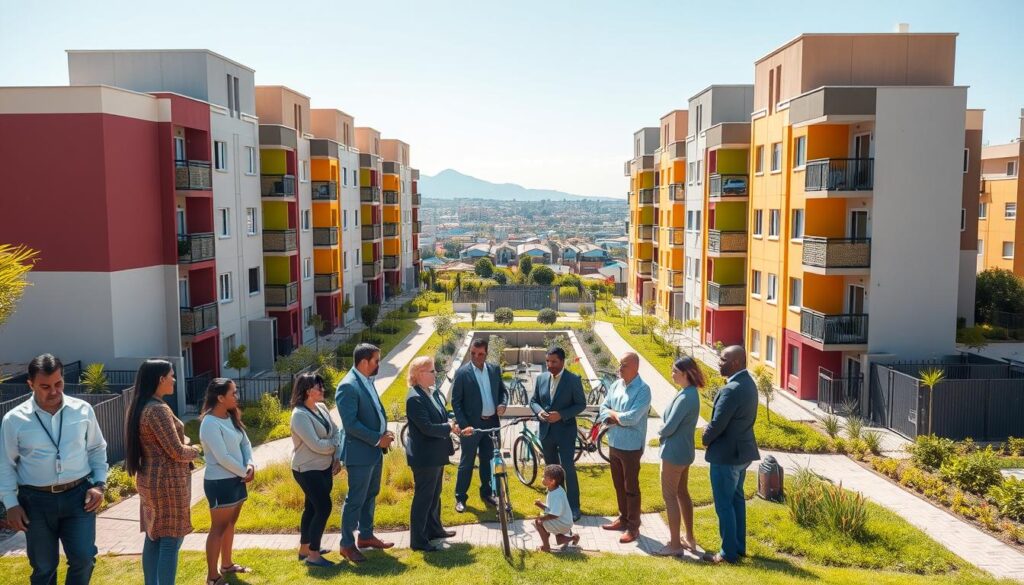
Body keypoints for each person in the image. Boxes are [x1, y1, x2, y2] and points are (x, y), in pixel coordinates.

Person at [0, 354, 108, 585]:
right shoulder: (14, 420)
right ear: (30, 384)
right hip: (35, 501)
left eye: (58, 383)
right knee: (43, 568)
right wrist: (11, 504)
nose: (53, 391)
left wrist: (99, 484)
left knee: (84, 559)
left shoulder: (83, 410)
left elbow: (97, 448)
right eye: (45, 386)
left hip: (78, 497)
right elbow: (5, 463)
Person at [125, 359, 201, 584]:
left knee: (154, 535)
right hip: (167, 483)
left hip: (151, 479)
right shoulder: (157, 410)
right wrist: (195, 449)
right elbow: (176, 451)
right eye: (171, 375)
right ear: (161, 379)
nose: (174, 379)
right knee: (170, 539)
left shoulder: (142, 405)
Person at [336, 343, 395, 563]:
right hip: (360, 454)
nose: (379, 364)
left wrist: (383, 431)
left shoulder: (366, 381)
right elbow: (350, 424)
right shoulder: (348, 386)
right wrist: (377, 438)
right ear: (363, 362)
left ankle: (366, 536)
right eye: (376, 360)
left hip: (374, 452)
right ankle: (346, 544)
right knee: (355, 500)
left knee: (370, 495)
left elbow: (374, 412)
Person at [702, 345, 760, 564]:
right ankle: (738, 547)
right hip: (741, 454)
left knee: (724, 504)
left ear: (736, 362)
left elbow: (717, 424)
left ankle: (727, 553)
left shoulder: (732, 389)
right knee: (736, 500)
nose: (719, 362)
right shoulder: (748, 384)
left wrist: (705, 439)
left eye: (723, 359)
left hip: (726, 456)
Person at [199, 378, 255, 585]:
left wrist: (250, 465)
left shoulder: (231, 417)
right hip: (220, 483)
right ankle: (212, 577)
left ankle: (227, 565)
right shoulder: (209, 423)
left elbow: (245, 443)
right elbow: (222, 457)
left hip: (237, 480)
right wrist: (244, 471)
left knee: (230, 524)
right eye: (233, 393)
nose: (236, 397)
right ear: (220, 398)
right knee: (218, 528)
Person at [404, 356, 459, 552]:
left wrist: (451, 425)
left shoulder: (431, 393)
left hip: (436, 454)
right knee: (424, 498)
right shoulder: (415, 398)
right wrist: (448, 428)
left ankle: (434, 529)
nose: (435, 374)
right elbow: (426, 427)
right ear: (419, 374)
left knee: (435, 495)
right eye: (431, 371)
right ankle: (418, 540)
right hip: (425, 457)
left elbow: (441, 417)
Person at [289, 373, 342, 567]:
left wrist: (336, 456)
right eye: (318, 387)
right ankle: (313, 555)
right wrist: (334, 445)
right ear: (307, 391)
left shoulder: (320, 407)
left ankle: (305, 549)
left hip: (324, 467)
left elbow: (336, 431)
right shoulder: (299, 416)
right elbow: (317, 445)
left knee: (311, 508)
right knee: (324, 507)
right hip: (306, 469)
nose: (323, 390)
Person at [528, 346, 586, 521]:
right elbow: (534, 401)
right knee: (551, 472)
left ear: (562, 361)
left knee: (567, 468)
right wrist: (539, 412)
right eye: (547, 361)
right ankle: (554, 506)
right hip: (546, 432)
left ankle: (574, 507)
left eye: (553, 362)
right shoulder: (541, 379)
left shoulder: (573, 380)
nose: (549, 365)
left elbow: (580, 404)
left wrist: (561, 415)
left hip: (566, 432)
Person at [450, 338, 508, 513]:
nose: (476, 357)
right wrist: (464, 425)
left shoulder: (494, 370)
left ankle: (487, 493)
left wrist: (503, 404)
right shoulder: (462, 373)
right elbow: (456, 402)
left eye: (480, 354)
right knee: (466, 462)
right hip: (471, 427)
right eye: (473, 353)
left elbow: (503, 392)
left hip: (491, 424)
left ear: (486, 353)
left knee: (488, 461)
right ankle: (460, 498)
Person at [598, 352, 651, 544]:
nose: (619, 369)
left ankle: (633, 527)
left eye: (624, 365)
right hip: (614, 443)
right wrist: (614, 415)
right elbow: (603, 408)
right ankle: (623, 518)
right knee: (618, 485)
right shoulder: (615, 385)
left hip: (631, 447)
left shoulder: (643, 390)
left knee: (631, 487)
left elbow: (632, 418)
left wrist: (614, 416)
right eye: (620, 365)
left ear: (635, 367)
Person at [654, 356, 704, 557]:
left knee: (670, 496)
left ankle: (675, 545)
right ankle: (689, 538)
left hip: (673, 454)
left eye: (675, 371)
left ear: (685, 374)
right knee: (682, 493)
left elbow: (669, 427)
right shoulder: (689, 393)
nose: (672, 374)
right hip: (684, 452)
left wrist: (660, 430)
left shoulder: (685, 398)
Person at [532, 464, 579, 553]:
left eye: (544, 477)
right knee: (559, 540)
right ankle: (574, 537)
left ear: (552, 481)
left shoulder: (557, 495)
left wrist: (541, 518)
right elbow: (552, 509)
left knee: (538, 522)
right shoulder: (554, 489)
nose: (542, 478)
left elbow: (554, 515)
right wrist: (541, 505)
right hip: (564, 522)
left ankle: (546, 547)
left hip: (562, 523)